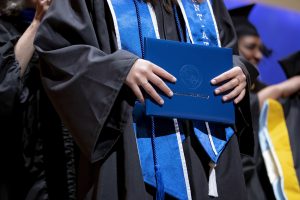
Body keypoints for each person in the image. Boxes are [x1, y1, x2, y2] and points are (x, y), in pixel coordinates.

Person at [34, 0, 257, 199]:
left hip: (208, 156)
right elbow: (58, 49)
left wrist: (239, 70)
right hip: (132, 144)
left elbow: (227, 50)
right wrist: (120, 69)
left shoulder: (206, 3)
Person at [0, 0, 77, 199]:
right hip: (23, 171)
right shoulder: (5, 25)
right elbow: (4, 89)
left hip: (70, 164)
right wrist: (38, 22)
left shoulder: (72, 24)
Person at [230, 4, 300, 200]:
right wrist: (286, 86)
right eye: (251, 47)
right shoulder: (217, 88)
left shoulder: (264, 91)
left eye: (260, 49)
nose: (259, 55)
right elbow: (248, 108)